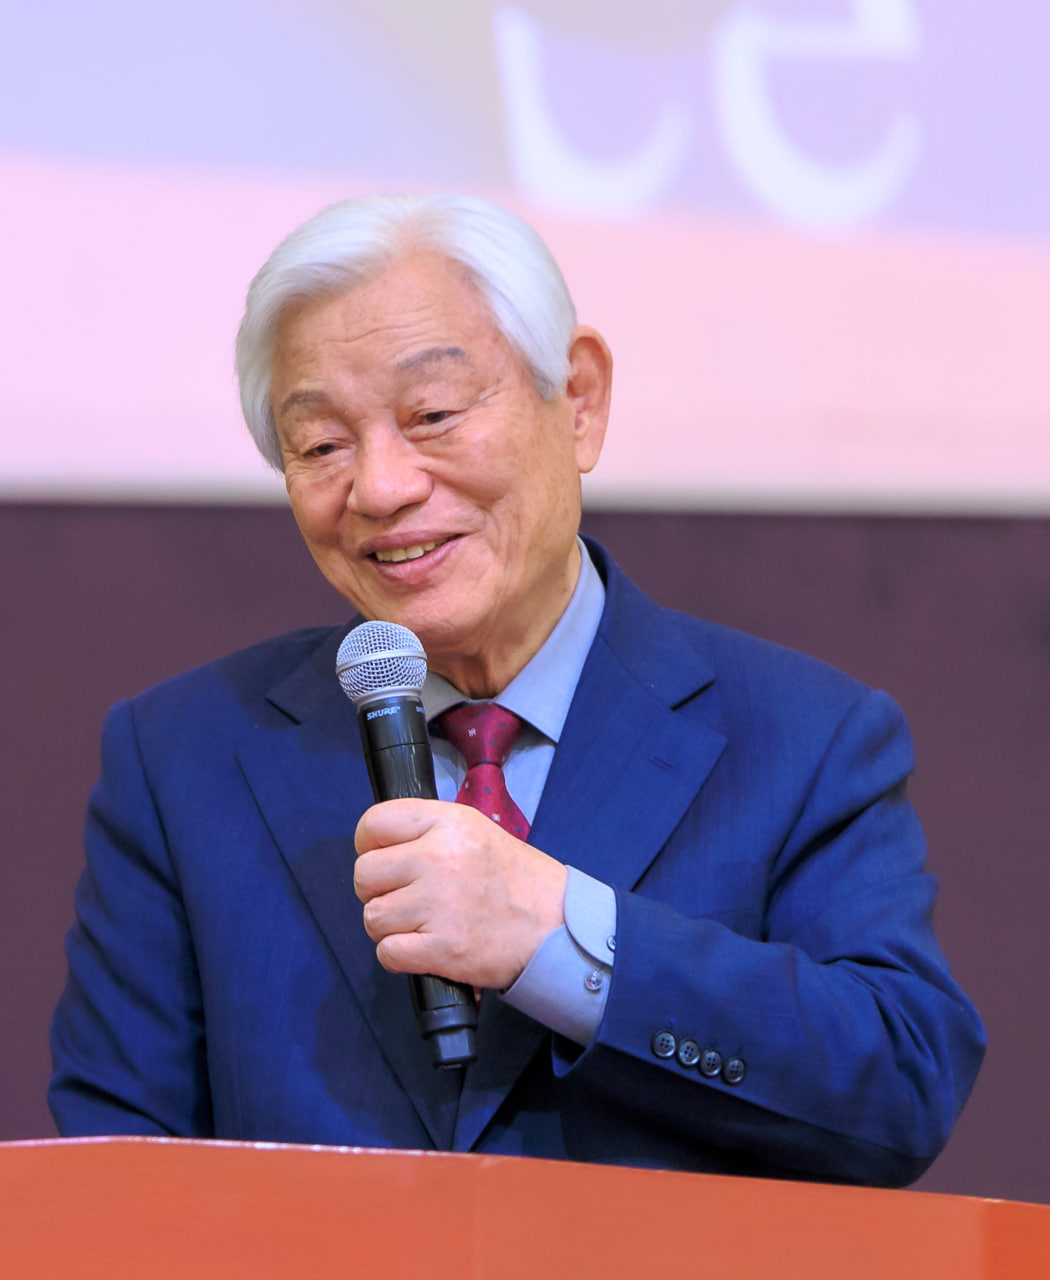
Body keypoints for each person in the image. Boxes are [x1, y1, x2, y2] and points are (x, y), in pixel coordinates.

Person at [50, 194, 985, 1185]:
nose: (380, 486)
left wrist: (561, 937)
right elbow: (115, 1180)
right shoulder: (182, 755)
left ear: (577, 399)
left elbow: (898, 1084)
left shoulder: (806, 736)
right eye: (322, 443)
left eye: (433, 416)